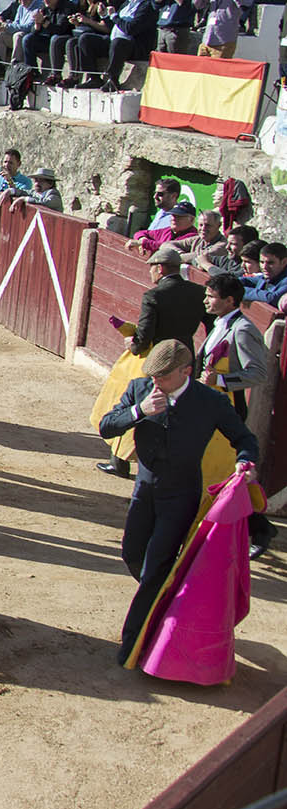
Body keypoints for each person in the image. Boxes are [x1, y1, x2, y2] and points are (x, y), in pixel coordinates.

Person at [99, 339, 259, 662]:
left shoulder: (210, 401)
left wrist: (245, 461)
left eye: (163, 376)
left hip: (181, 495)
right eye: (153, 375)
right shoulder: (140, 389)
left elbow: (245, 438)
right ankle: (165, 599)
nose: (155, 382)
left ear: (186, 372)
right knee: (133, 554)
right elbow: (107, 427)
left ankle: (133, 645)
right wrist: (138, 411)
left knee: (156, 567)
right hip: (144, 491)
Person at [99, 246, 207, 478]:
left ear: (160, 268)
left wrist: (133, 345)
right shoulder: (199, 292)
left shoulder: (154, 296)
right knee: (179, 408)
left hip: (157, 358)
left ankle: (120, 462)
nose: (150, 273)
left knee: (138, 404)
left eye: (151, 268)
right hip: (185, 356)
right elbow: (211, 325)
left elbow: (145, 335)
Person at [200, 273, 275, 558]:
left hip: (228, 408)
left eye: (211, 296)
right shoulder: (221, 322)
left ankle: (259, 527)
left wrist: (220, 381)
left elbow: (258, 373)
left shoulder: (242, 329)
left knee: (225, 470)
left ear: (230, 300)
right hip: (211, 403)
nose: (206, 300)